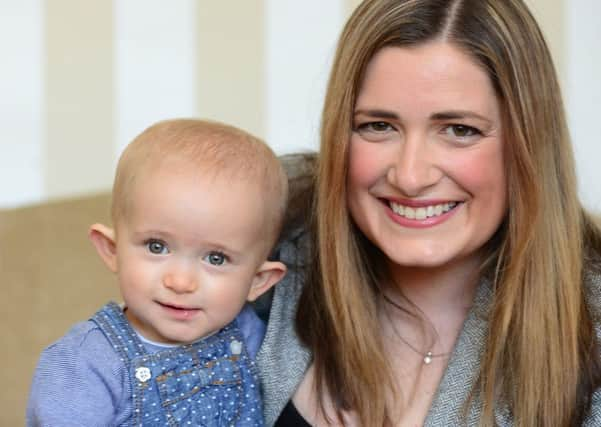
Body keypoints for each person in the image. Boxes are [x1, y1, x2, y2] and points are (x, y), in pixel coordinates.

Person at [257, 0, 601, 426]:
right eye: (378, 126)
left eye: (460, 130)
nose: (410, 176)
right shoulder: (254, 250)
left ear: (528, 145)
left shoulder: (592, 326)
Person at [27, 119, 288, 426]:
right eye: (156, 247)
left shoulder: (249, 335)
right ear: (112, 249)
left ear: (258, 281)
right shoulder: (83, 365)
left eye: (216, 258)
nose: (180, 282)